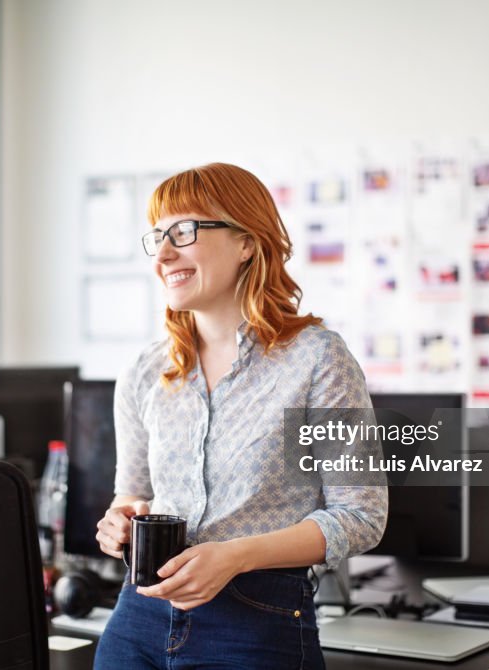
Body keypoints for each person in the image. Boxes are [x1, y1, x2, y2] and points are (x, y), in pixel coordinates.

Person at [93, 163, 388, 669]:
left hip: (256, 622)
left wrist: (234, 555)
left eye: (183, 232)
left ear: (247, 241)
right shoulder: (145, 371)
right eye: (158, 236)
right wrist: (118, 522)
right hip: (137, 621)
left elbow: (360, 517)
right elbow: (132, 495)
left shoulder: (317, 359)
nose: (163, 254)